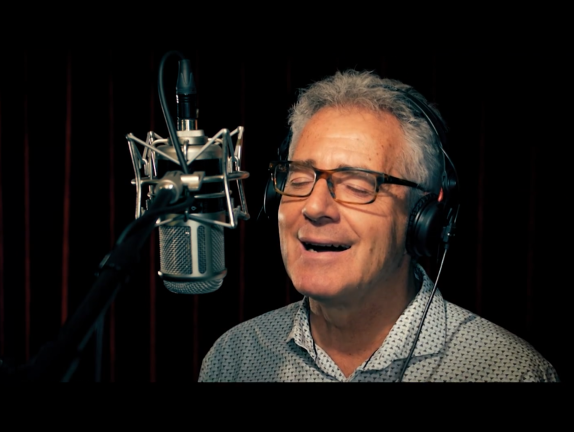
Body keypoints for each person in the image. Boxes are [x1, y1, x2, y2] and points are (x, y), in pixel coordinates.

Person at [198, 69, 559, 382]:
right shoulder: (233, 358)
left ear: (423, 217)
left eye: (357, 185)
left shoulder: (510, 371)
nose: (314, 207)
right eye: (299, 178)